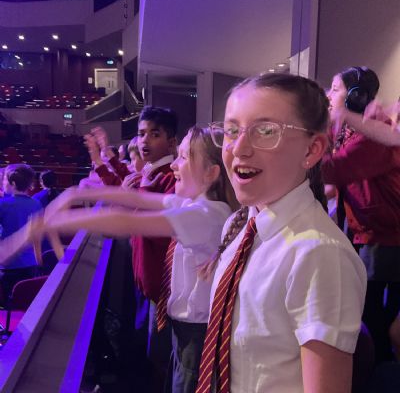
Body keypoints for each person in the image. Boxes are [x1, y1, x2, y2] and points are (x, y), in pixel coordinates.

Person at [194, 73, 366, 393]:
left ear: (311, 150)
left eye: (266, 131)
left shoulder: (319, 254)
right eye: (232, 130)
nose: (239, 148)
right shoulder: (241, 226)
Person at [31, 126, 237, 393]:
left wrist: (57, 221)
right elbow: (134, 197)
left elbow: (126, 220)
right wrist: (75, 194)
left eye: (184, 157)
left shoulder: (206, 214)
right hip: (186, 332)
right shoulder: (194, 205)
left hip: (197, 336)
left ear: (211, 173)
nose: (174, 164)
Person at [322, 66, 400, 364]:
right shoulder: (352, 130)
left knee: (372, 314)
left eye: (335, 89)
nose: (328, 95)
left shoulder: (374, 134)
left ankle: (382, 372)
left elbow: (333, 170)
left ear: (355, 96)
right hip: (365, 232)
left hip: (382, 236)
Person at [0, 164, 42, 300]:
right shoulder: (36, 204)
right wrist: (38, 261)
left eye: (4, 180)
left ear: (13, 183)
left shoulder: (3, 205)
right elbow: (37, 236)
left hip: (8, 263)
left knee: (7, 302)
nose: (3, 183)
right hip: (30, 263)